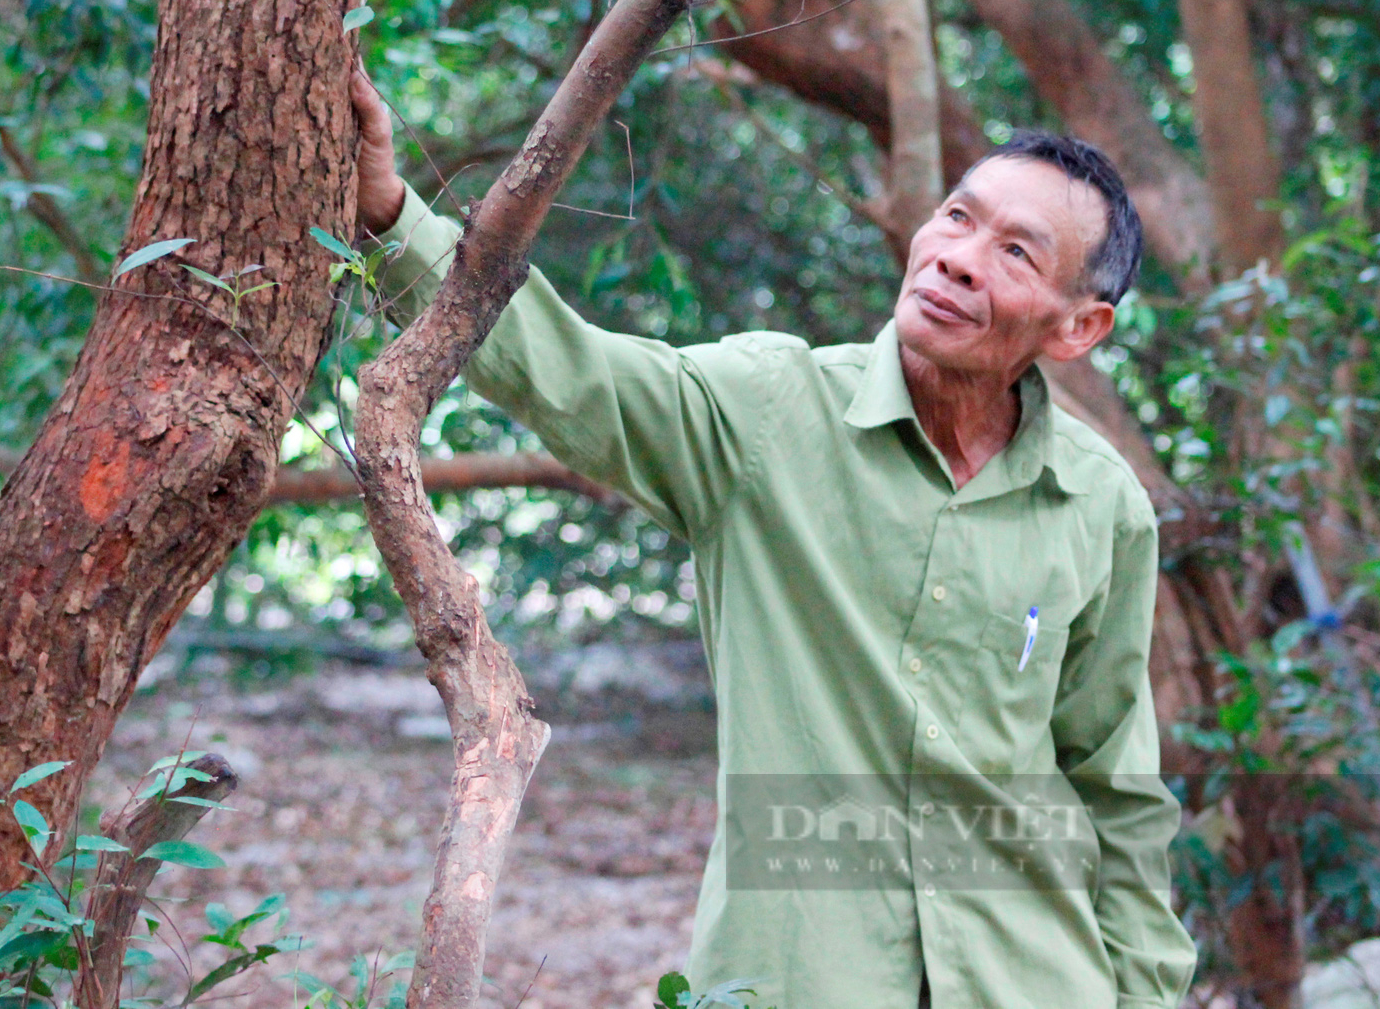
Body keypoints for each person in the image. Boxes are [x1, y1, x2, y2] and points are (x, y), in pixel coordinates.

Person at [350, 65, 1197, 1009]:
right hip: (799, 979)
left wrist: (1147, 993)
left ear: (1079, 327)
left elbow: (1114, 788)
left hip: (1037, 981)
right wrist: (393, 216)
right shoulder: (767, 411)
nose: (959, 257)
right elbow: (571, 373)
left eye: (1016, 253)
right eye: (958, 217)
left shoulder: (1101, 505)